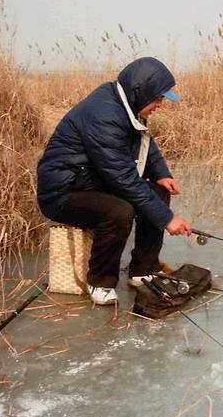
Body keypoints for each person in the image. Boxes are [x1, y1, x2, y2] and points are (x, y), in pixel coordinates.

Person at [37, 57, 192, 305]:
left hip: (92, 181)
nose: (160, 104)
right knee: (119, 211)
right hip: (64, 192)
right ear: (142, 93)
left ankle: (143, 271)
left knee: (159, 193)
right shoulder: (104, 115)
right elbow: (123, 179)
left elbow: (145, 142)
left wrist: (162, 173)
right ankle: (99, 282)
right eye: (158, 98)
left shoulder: (126, 104)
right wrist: (167, 219)